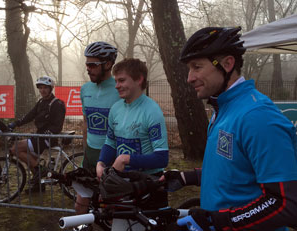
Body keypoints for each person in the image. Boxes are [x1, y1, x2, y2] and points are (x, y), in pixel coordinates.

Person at [164, 27, 297, 231]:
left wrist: (216, 222)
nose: (189, 78)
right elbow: (234, 169)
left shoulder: (257, 116)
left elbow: (285, 203)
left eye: (197, 67)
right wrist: (185, 177)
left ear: (227, 64)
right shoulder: (223, 109)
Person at [96, 58, 169, 228]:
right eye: (116, 81)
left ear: (139, 79)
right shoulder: (115, 109)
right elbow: (110, 142)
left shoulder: (152, 111)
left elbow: (162, 158)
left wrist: (125, 159)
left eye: (122, 80)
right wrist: (101, 162)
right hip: (123, 185)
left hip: (150, 186)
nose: (117, 86)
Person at [75, 41, 120, 217]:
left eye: (92, 64)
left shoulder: (119, 88)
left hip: (112, 156)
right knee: (80, 207)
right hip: (90, 155)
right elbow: (86, 122)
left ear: (108, 64)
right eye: (87, 64)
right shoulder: (85, 89)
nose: (88, 68)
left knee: (110, 210)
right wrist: (85, 153)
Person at [8, 76, 66, 192]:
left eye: (45, 88)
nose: (42, 90)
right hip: (39, 136)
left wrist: (45, 134)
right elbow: (30, 115)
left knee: (15, 149)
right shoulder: (41, 102)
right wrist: (16, 123)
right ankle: (39, 185)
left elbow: (57, 126)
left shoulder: (57, 104)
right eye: (40, 88)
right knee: (31, 161)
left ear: (51, 88)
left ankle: (41, 170)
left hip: (47, 138)